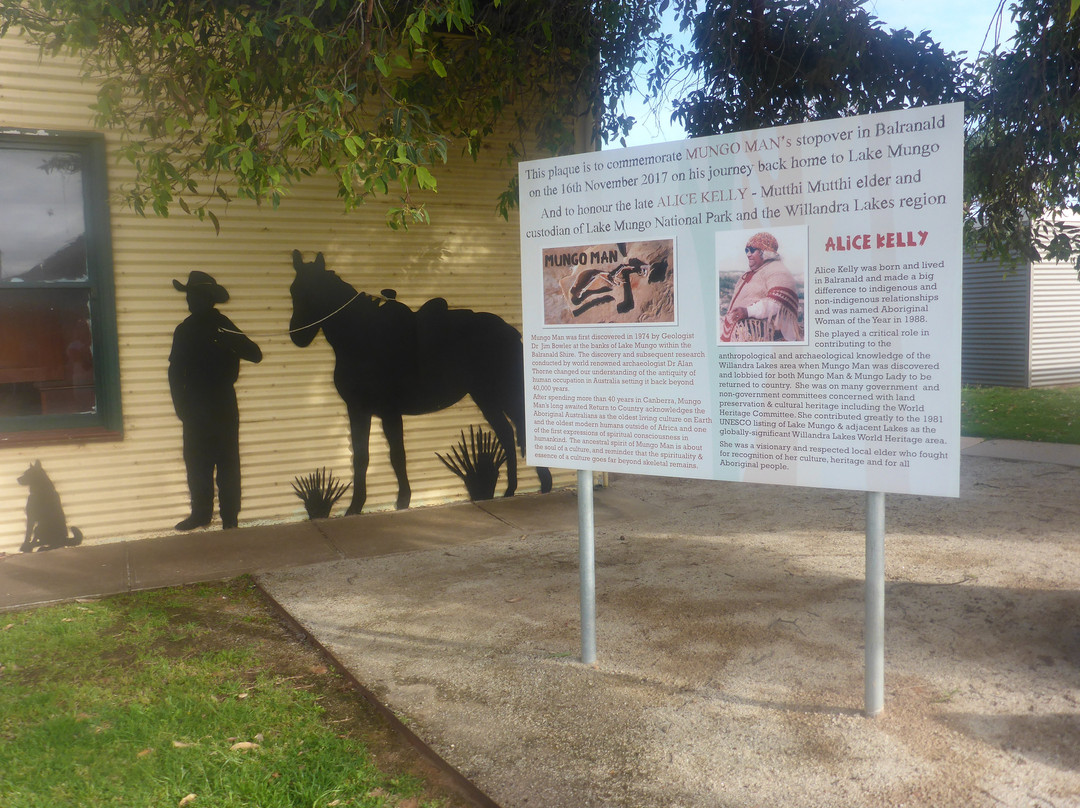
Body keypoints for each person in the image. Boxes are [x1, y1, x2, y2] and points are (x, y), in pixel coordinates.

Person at [169, 271, 262, 530]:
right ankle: (200, 513)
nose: (190, 301)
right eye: (188, 296)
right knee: (196, 461)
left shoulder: (224, 325)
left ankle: (230, 517)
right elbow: (175, 372)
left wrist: (227, 339)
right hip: (194, 406)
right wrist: (181, 407)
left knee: (227, 462)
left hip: (222, 402)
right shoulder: (184, 330)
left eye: (194, 295)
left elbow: (255, 354)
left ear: (207, 299)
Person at [721, 232, 803, 342]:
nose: (748, 254)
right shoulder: (753, 272)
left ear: (765, 253)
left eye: (752, 250)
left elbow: (776, 303)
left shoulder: (777, 270)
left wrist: (747, 312)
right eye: (746, 250)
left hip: (765, 339)